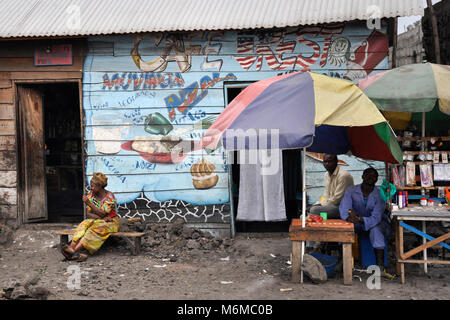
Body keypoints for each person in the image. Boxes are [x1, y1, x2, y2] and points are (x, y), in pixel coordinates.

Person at [339, 167, 395, 279]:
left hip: (376, 222)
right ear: (362, 176)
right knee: (345, 228)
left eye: (374, 175)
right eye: (368, 174)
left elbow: (376, 216)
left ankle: (380, 267)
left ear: (377, 179)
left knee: (375, 230)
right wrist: (349, 217)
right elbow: (345, 208)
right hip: (355, 221)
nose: (370, 177)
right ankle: (342, 261)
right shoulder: (351, 190)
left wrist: (360, 219)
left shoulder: (380, 194)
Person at [61, 172, 119, 262]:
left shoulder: (109, 197)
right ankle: (71, 247)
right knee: (84, 224)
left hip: (111, 222)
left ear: (99, 186)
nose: (91, 188)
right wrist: (101, 218)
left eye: (93, 186)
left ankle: (73, 251)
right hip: (99, 220)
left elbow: (103, 213)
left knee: (95, 228)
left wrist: (89, 203)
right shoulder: (91, 196)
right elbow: (88, 214)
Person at [308, 154, 354, 219]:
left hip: (343, 208)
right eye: (325, 161)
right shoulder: (326, 174)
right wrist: (317, 204)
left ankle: (315, 217)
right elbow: (326, 195)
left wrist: (319, 206)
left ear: (336, 162)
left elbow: (337, 200)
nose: (327, 164)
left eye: (330, 161)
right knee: (306, 214)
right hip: (331, 206)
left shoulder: (343, 175)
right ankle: (317, 218)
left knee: (314, 210)